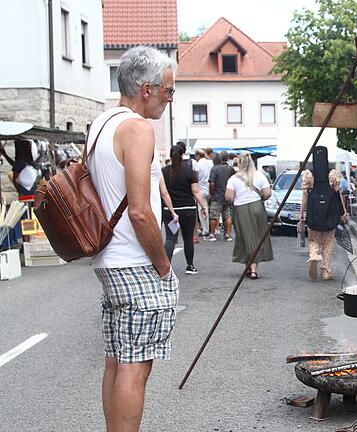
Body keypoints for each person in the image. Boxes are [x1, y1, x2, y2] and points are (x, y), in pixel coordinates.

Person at [85, 45, 178, 432]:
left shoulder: (101, 125)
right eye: (168, 91)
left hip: (109, 259)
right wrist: (163, 266)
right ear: (146, 88)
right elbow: (140, 211)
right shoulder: (137, 129)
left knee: (117, 361)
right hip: (135, 261)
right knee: (135, 367)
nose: (170, 100)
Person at [299, 146, 347, 280]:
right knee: (328, 242)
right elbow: (338, 193)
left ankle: (314, 255)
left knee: (314, 238)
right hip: (330, 212)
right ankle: (326, 271)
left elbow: (305, 195)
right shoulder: (332, 173)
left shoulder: (308, 174)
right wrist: (343, 211)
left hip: (314, 212)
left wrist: (301, 213)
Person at [162, 144, 208, 274]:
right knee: (188, 238)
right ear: (182, 155)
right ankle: (190, 265)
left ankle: (166, 267)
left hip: (170, 210)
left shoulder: (164, 172)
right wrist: (203, 206)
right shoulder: (189, 172)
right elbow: (195, 191)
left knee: (170, 238)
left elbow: (162, 192)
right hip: (188, 208)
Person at [225, 154, 273, 279]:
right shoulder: (259, 175)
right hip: (257, 207)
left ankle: (249, 268)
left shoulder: (233, 179)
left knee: (244, 237)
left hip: (241, 208)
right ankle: (253, 268)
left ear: (240, 164)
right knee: (258, 236)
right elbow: (267, 193)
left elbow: (229, 197)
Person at [207, 152, 233, 241]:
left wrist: (211, 193)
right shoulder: (227, 169)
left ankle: (212, 234)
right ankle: (228, 234)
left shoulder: (214, 169)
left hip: (217, 196)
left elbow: (212, 183)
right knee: (227, 215)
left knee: (214, 215)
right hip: (226, 195)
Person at [194, 148, 213, 236]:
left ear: (198, 156)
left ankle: (205, 229)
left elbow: (196, 178)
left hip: (200, 190)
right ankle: (213, 228)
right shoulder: (210, 163)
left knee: (202, 210)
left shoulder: (197, 165)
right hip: (210, 189)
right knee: (211, 210)